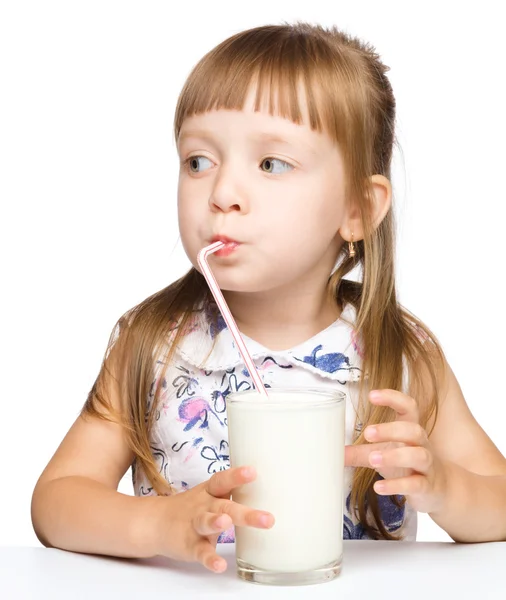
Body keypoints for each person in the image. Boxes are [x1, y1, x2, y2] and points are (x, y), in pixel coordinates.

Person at [31, 22, 506, 574]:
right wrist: (157, 525)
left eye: (270, 164)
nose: (223, 194)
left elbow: (500, 499)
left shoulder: (399, 354)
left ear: (358, 207)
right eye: (198, 161)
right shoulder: (153, 344)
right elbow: (55, 502)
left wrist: (445, 488)